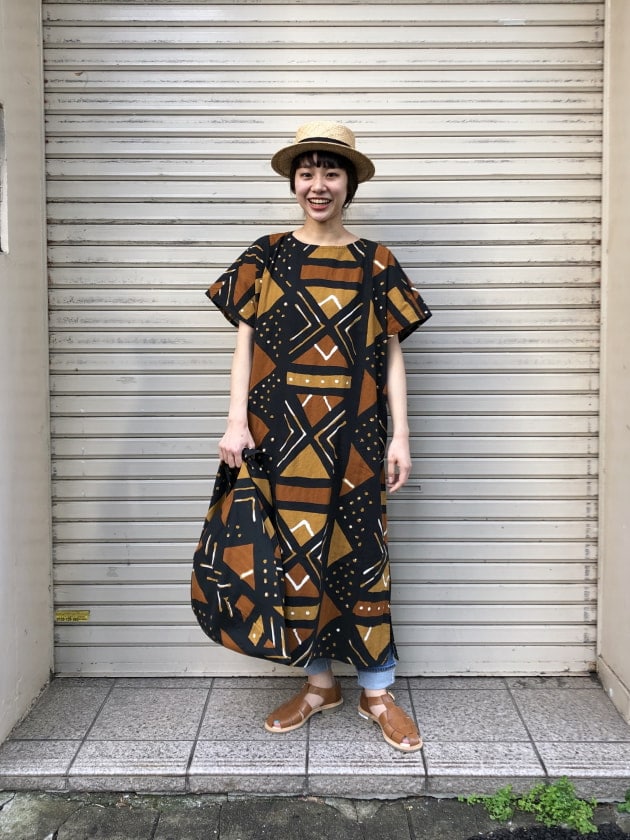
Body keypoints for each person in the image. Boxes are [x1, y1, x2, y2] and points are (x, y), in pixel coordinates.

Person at [207, 121, 432, 752]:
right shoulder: (266, 255)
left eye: (331, 172)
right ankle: (319, 685)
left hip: (356, 436)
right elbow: (244, 345)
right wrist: (234, 421)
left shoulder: (376, 261)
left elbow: (392, 355)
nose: (318, 184)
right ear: (293, 182)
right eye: (307, 172)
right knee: (295, 556)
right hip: (278, 436)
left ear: (349, 184)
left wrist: (401, 436)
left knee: (362, 554)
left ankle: (378, 691)